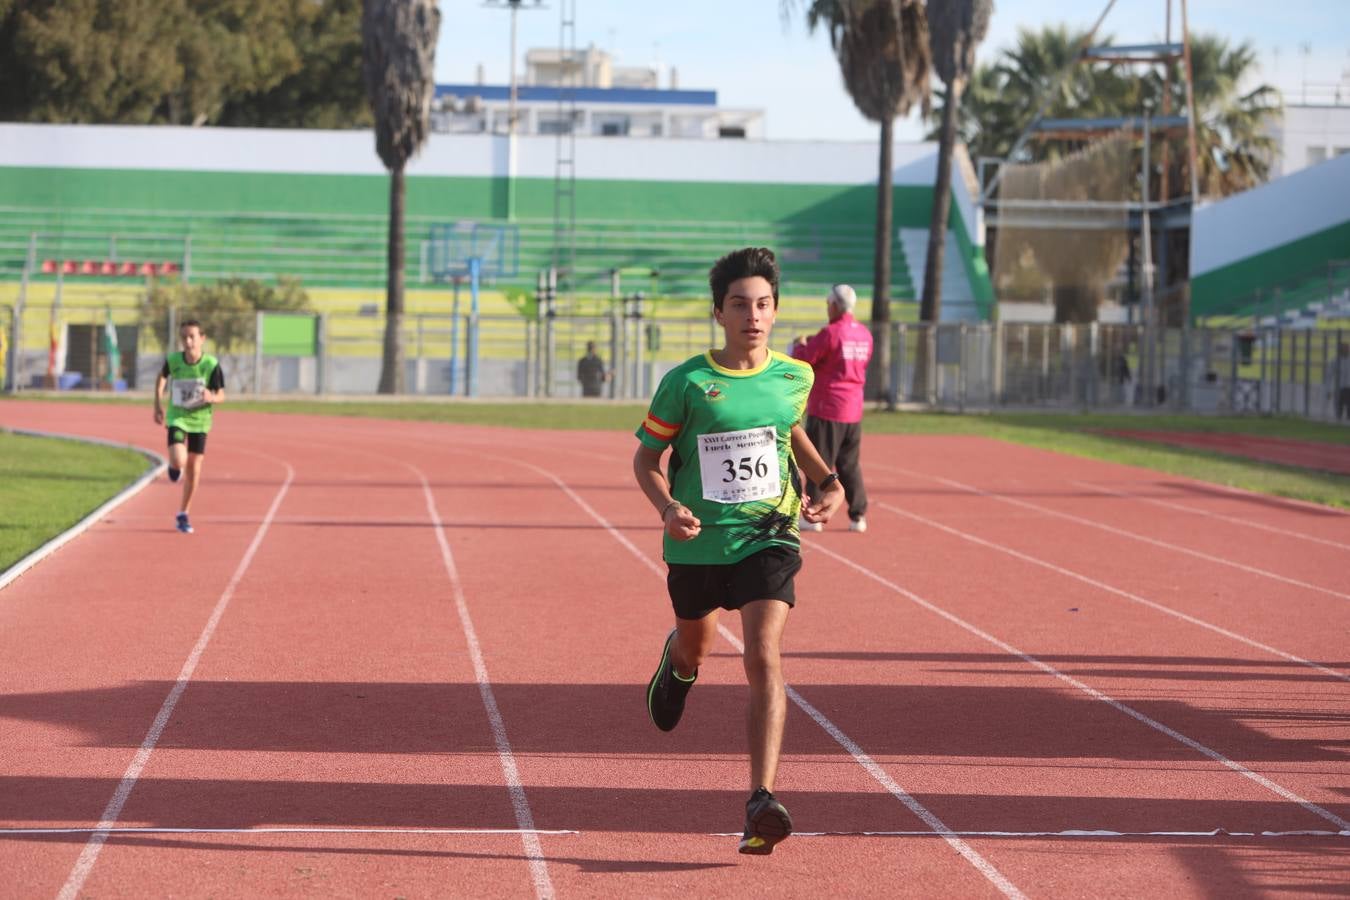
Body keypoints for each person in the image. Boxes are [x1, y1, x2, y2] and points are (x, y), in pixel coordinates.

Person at [633, 247, 845, 856]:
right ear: (718, 313)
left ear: (775, 312)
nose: (752, 315)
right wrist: (669, 507)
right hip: (700, 540)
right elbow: (647, 459)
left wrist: (828, 483)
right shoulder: (688, 382)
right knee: (696, 642)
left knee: (764, 654)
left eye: (762, 304)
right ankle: (678, 667)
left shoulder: (794, 376)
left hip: (769, 534)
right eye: (739, 305)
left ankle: (761, 797)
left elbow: (788, 431)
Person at [791, 284, 873, 533]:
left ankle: (814, 513)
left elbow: (805, 359)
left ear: (835, 306)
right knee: (849, 464)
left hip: (828, 408)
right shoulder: (864, 334)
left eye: (828, 304)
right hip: (853, 409)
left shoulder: (831, 333)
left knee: (819, 461)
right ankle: (858, 515)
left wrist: (799, 345)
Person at [153, 320, 225, 534]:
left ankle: (183, 513)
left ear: (202, 339)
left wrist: (211, 396)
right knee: (178, 459)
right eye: (184, 337)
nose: (188, 341)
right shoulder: (174, 360)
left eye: (192, 336)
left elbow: (222, 394)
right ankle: (174, 466)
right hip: (178, 417)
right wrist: (157, 403)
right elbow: (162, 377)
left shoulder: (211, 365)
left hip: (200, 421)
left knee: (194, 470)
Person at [1326, 342, 1350, 421]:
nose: (1347, 350)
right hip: (1339, 387)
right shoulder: (1335, 361)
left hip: (1349, 387)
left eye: (1347, 348)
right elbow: (1329, 375)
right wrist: (1328, 389)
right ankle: (1338, 422)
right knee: (1338, 408)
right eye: (1344, 348)